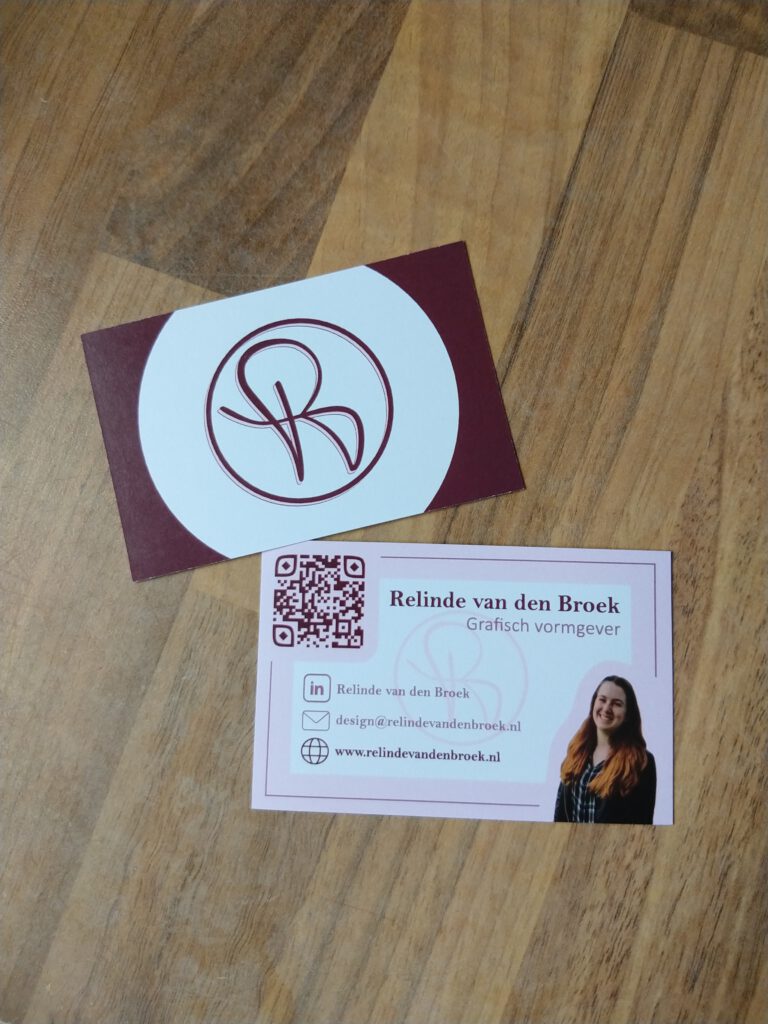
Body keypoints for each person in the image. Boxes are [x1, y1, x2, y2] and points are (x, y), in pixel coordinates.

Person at [554, 675, 656, 824]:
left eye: (616, 704)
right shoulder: (576, 750)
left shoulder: (641, 763)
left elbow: (642, 826)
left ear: (627, 715)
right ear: (593, 703)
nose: (607, 708)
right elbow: (560, 817)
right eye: (602, 700)